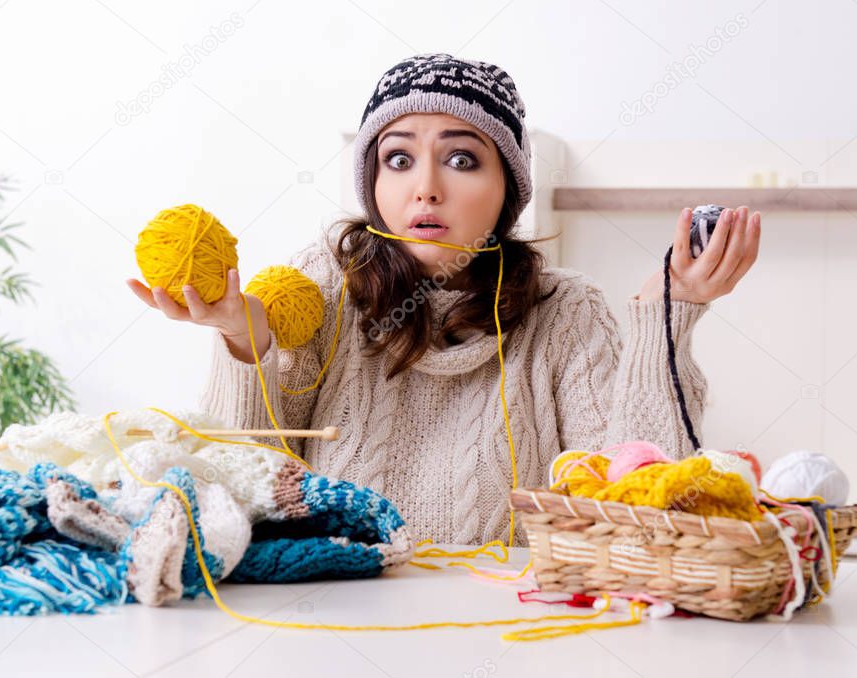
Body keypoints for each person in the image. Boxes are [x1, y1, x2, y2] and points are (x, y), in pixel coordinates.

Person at [126, 53, 762, 546]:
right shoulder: (319, 285)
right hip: (333, 614)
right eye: (398, 159)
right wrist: (244, 341)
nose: (425, 189)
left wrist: (664, 319)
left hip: (510, 623)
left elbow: (638, 509)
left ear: (507, 189)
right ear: (373, 186)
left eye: (461, 158)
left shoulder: (567, 312)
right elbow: (242, 494)